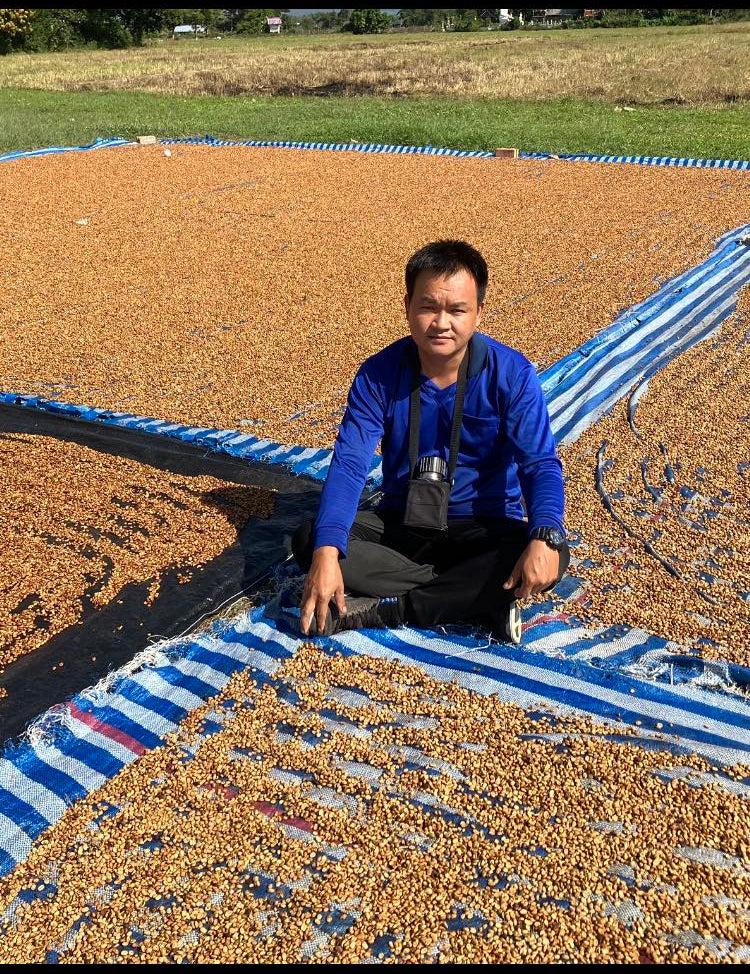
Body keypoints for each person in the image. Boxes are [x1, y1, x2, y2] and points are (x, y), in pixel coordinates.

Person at [291, 239, 569, 643]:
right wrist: (326, 553)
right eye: (428, 307)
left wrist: (545, 534)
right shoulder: (378, 374)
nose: (442, 322)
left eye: (457, 310)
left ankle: (392, 608)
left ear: (478, 313)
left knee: (548, 553)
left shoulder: (511, 373)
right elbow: (350, 464)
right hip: (403, 524)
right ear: (407, 306)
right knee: (312, 539)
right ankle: (472, 596)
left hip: (484, 526)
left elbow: (539, 464)